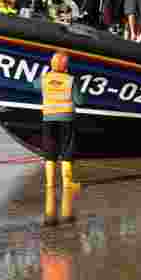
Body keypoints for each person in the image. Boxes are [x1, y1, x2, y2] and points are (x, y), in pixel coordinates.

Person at [34, 52, 83, 191]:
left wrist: (49, 75)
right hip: (66, 119)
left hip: (48, 119)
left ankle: (50, 184)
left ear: (52, 64)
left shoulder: (44, 79)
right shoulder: (70, 80)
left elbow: (34, 86)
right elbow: (80, 101)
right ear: (66, 66)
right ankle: (67, 184)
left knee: (50, 149)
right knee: (67, 149)